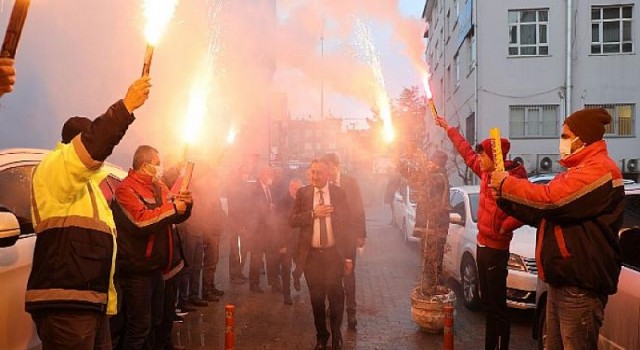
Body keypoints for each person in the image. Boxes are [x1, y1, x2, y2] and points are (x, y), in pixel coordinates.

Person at [26, 77, 150, 350]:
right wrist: (126, 107)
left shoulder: (89, 187)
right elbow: (93, 146)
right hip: (67, 303)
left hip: (90, 301)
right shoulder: (55, 168)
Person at [490, 108, 624, 350]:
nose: (561, 141)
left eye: (565, 136)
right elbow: (543, 213)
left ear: (582, 138)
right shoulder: (574, 172)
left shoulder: (601, 170)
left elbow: (550, 199)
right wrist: (505, 198)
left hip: (580, 288)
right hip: (561, 283)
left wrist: (508, 184)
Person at [435, 115, 527, 350]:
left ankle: (500, 346)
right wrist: (448, 128)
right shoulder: (486, 173)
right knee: (487, 304)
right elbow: (465, 151)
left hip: (497, 250)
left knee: (498, 307)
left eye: (483, 155)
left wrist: (504, 227)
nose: (479, 159)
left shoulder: (512, 180)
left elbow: (524, 211)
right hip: (482, 246)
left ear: (494, 157)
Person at [110, 145, 192, 350]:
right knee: (138, 328)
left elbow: (173, 212)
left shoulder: (158, 186)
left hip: (157, 269)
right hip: (137, 271)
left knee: (155, 323)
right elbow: (141, 221)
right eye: (156, 163)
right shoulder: (125, 190)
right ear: (145, 165)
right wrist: (174, 208)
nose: (159, 167)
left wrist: (185, 204)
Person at [289, 159, 353, 350]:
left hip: (334, 255)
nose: (314, 176)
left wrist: (348, 257)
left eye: (319, 173)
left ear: (328, 175)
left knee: (336, 298)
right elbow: (291, 220)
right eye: (312, 172)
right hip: (312, 257)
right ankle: (321, 337)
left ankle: (336, 334)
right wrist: (312, 214)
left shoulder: (338, 194)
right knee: (316, 300)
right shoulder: (303, 193)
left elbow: (347, 226)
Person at [322, 153, 366, 329]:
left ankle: (351, 313)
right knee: (330, 275)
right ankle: (331, 307)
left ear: (336, 166)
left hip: (347, 238)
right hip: (329, 238)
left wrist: (361, 234)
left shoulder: (350, 182)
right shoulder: (324, 185)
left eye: (329, 168)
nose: (328, 172)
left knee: (348, 275)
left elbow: (359, 207)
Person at [274, 178, 304, 305]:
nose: (296, 191)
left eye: (298, 189)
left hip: (301, 240)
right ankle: (287, 294)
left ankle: (296, 275)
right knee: (285, 267)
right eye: (294, 188)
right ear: (290, 188)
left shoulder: (304, 202)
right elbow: (278, 224)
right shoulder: (282, 202)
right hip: (286, 240)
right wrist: (281, 244)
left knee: (301, 264)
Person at [248, 166, 275, 293]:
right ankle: (253, 284)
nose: (271, 177)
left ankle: (273, 283)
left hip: (267, 230)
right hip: (257, 231)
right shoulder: (254, 189)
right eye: (269, 174)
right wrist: (268, 208)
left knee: (270, 256)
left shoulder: (268, 188)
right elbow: (253, 209)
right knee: (256, 258)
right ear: (262, 174)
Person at [227, 166, 251, 284]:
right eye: (245, 172)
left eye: (247, 172)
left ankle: (239, 272)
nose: (247, 175)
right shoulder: (234, 186)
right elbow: (234, 208)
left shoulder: (244, 185)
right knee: (235, 250)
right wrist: (239, 225)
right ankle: (234, 275)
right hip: (235, 224)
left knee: (243, 250)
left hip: (244, 223)